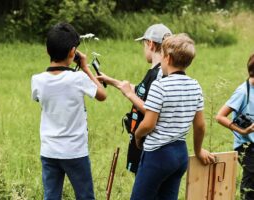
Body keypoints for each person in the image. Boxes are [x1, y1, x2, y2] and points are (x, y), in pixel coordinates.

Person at [130, 34, 215, 200]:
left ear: (167, 58)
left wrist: (137, 136)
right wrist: (198, 151)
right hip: (180, 155)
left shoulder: (159, 86)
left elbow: (148, 124)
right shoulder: (195, 85)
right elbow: (200, 126)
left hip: (157, 155)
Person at [31, 22, 106, 200]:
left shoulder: (37, 80)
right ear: (73, 52)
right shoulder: (78, 78)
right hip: (75, 151)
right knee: (85, 196)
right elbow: (102, 95)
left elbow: (38, 98)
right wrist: (86, 67)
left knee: (51, 196)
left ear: (47, 51)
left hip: (49, 150)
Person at [97, 24, 172, 174]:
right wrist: (111, 81)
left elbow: (153, 110)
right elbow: (141, 90)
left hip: (146, 143)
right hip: (143, 143)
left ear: (150, 44)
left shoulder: (159, 74)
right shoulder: (155, 71)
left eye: (144, 44)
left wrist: (129, 95)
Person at [215, 53, 254, 200]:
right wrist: (243, 130)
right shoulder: (243, 92)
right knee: (250, 184)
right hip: (247, 146)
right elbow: (220, 116)